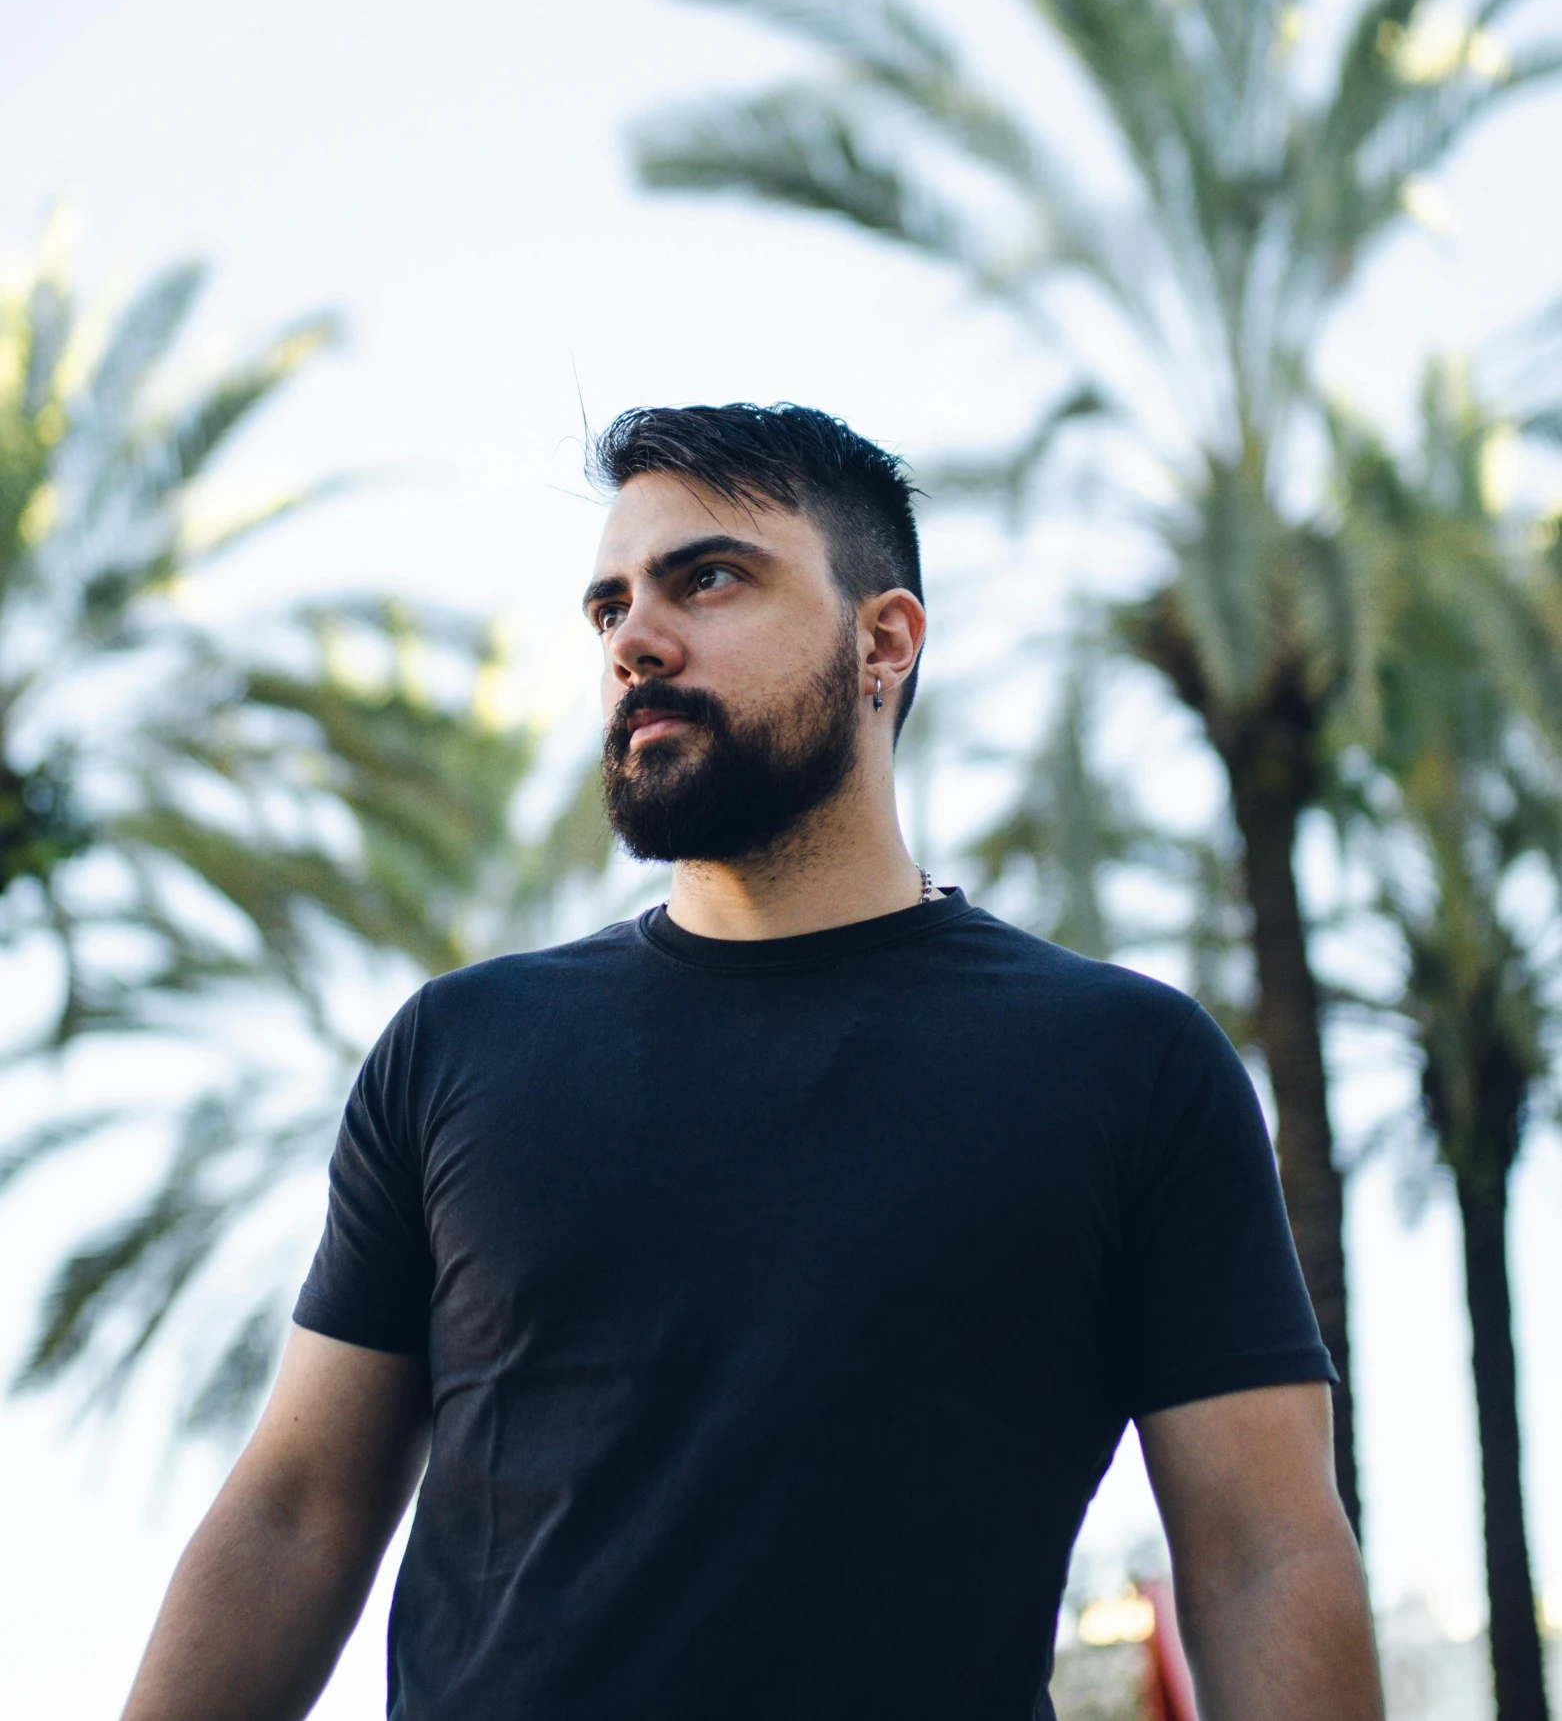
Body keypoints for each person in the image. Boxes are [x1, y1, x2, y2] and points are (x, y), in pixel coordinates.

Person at [121, 403, 1383, 1721]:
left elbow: (1262, 1549)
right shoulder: (456, 1048)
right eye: (607, 606)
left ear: (882, 640)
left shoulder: (1124, 1064)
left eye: (706, 578)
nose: (635, 641)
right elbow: (294, 1513)